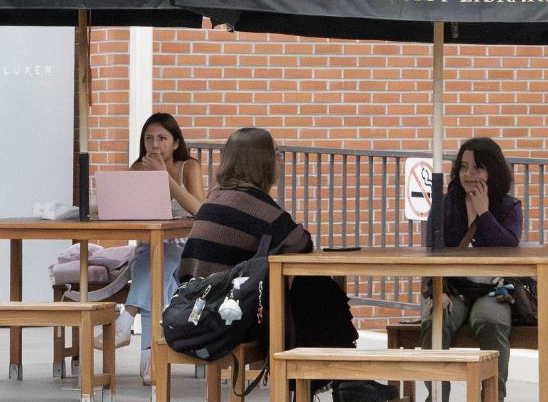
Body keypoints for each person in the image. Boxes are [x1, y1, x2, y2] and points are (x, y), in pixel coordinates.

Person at [178, 128, 395, 402]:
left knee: (305, 290)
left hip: (197, 311)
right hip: (225, 319)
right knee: (314, 288)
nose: (279, 161)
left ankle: (342, 378)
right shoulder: (256, 205)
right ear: (262, 161)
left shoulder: (214, 199)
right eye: (276, 154)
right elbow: (301, 241)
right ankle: (342, 377)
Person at [420, 137, 525, 399]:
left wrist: (484, 213)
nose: (469, 174)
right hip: (452, 288)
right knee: (435, 320)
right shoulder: (445, 205)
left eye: (478, 167)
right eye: (464, 167)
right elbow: (432, 252)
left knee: (490, 320)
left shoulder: (509, 207)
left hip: (493, 289)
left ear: (493, 170)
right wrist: (439, 290)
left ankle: (492, 396)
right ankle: (437, 396)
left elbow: (508, 248)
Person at [124, 113, 205, 383]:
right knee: (154, 267)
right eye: (149, 139)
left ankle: (128, 320)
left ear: (175, 142)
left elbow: (199, 210)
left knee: (159, 259)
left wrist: (165, 179)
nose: (155, 144)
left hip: (186, 250)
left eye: (162, 138)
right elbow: (128, 207)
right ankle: (151, 361)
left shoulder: (188, 167)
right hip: (151, 247)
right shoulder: (138, 168)